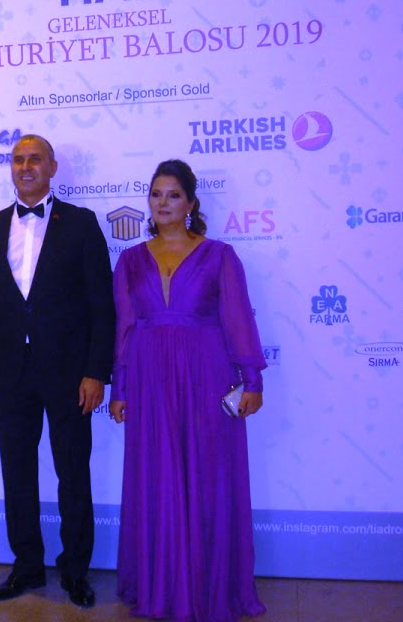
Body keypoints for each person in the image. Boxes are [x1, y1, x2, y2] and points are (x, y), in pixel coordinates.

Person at [108, 159, 266, 622]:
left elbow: (238, 319)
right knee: (157, 478)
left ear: (191, 203)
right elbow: (124, 327)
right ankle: (161, 586)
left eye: (173, 195)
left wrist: (252, 380)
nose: (163, 203)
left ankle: (207, 586)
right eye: (156, 194)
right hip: (149, 380)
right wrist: (121, 387)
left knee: (207, 476)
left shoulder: (219, 255)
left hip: (206, 376)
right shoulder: (130, 260)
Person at [0, 134, 115, 609]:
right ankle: (27, 564)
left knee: (73, 472)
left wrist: (96, 372)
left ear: (52, 167)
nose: (26, 166)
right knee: (17, 472)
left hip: (70, 374)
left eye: (35, 159)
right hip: (9, 373)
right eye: (18, 160)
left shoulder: (82, 223)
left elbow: (102, 305)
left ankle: (76, 570)